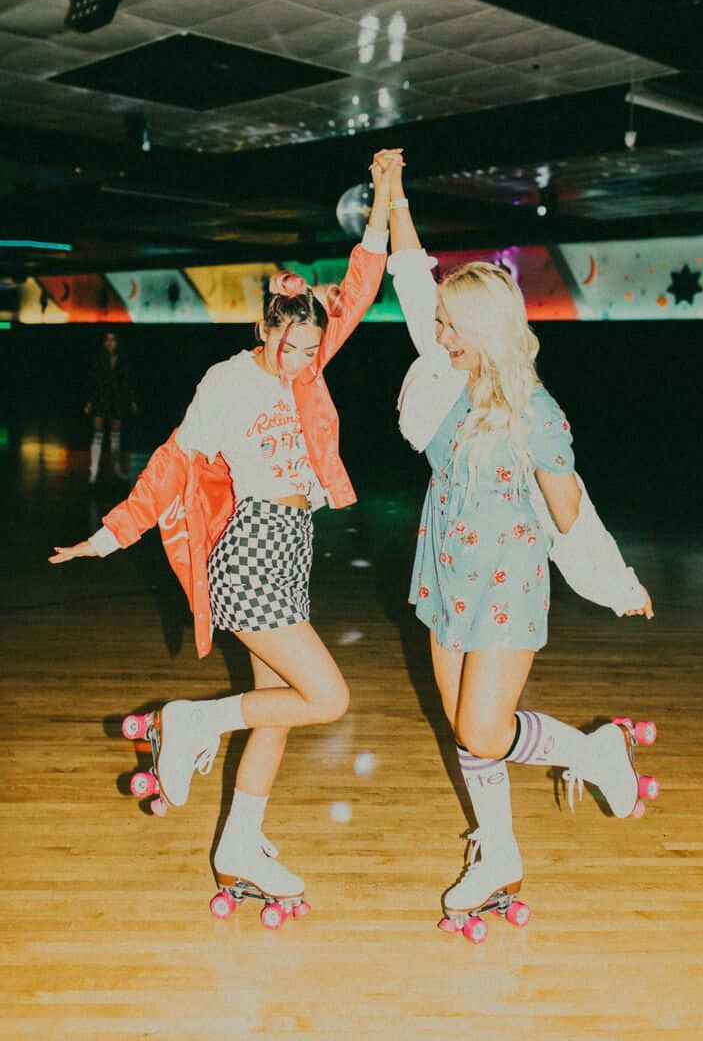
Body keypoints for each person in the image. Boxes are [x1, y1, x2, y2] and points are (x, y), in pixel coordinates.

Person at [49, 149, 403, 923]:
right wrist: (106, 537)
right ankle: (192, 720)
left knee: (276, 705)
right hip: (245, 551)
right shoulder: (227, 381)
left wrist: (384, 195)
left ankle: (240, 843)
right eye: (291, 347)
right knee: (326, 697)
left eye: (313, 350)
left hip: (293, 547)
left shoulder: (307, 362)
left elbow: (361, 284)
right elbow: (173, 466)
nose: (302, 361)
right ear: (265, 327)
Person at [386, 158, 657, 940]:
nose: (437, 336)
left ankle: (595, 752)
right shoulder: (441, 377)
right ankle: (496, 852)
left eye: (451, 327)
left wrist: (614, 580)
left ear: (485, 333)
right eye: (439, 324)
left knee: (481, 728)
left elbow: (569, 512)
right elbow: (411, 276)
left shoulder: (536, 412)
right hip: (442, 571)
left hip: (506, 581)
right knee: (464, 726)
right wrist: (396, 192)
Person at [83, 330, 136, 484]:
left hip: (118, 400)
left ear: (118, 342)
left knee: (115, 436)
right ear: (104, 342)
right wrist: (89, 402)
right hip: (100, 399)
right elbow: (92, 381)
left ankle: (116, 469)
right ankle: (93, 471)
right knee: (98, 434)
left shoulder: (123, 360)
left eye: (113, 339)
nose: (110, 343)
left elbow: (128, 381)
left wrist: (132, 401)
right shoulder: (98, 359)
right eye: (107, 340)